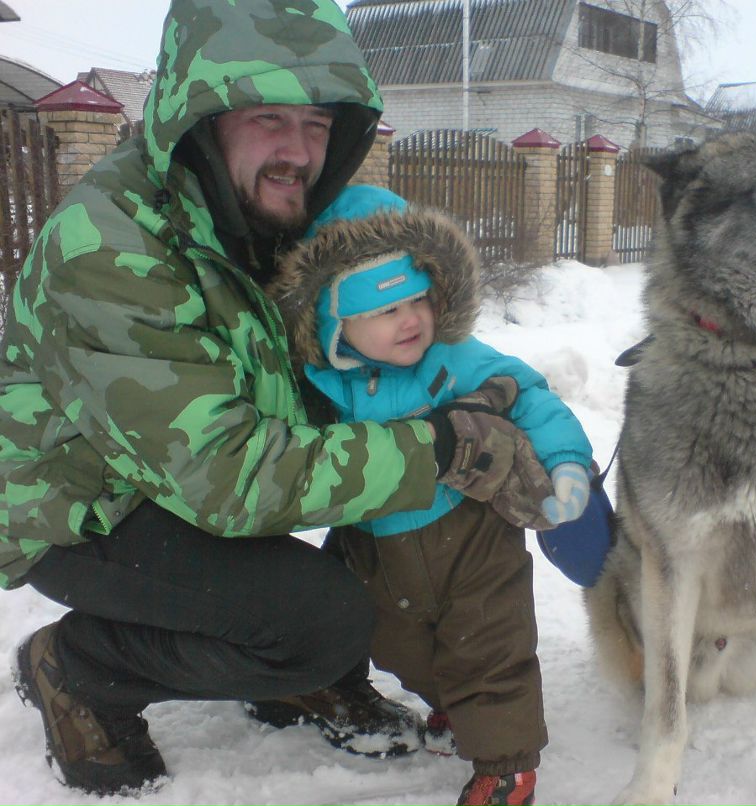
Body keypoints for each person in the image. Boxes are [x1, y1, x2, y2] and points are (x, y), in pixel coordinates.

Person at [0, 0, 553, 797]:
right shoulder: (112, 249)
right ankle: (79, 668)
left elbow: (334, 375)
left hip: (184, 477)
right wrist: (441, 446)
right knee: (320, 619)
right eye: (268, 118)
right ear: (200, 119)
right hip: (80, 505)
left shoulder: (260, 215)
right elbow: (227, 478)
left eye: (319, 123)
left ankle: (295, 673)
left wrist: (470, 395)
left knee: (380, 534)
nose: (299, 150)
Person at [268, 185, 594, 806]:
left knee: (487, 646)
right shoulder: (317, 386)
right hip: (376, 545)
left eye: (418, 298)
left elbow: (526, 394)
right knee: (398, 644)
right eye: (387, 311)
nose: (412, 319)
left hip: (471, 534)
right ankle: (450, 705)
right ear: (337, 323)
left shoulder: (452, 357)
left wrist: (567, 462)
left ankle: (507, 764)